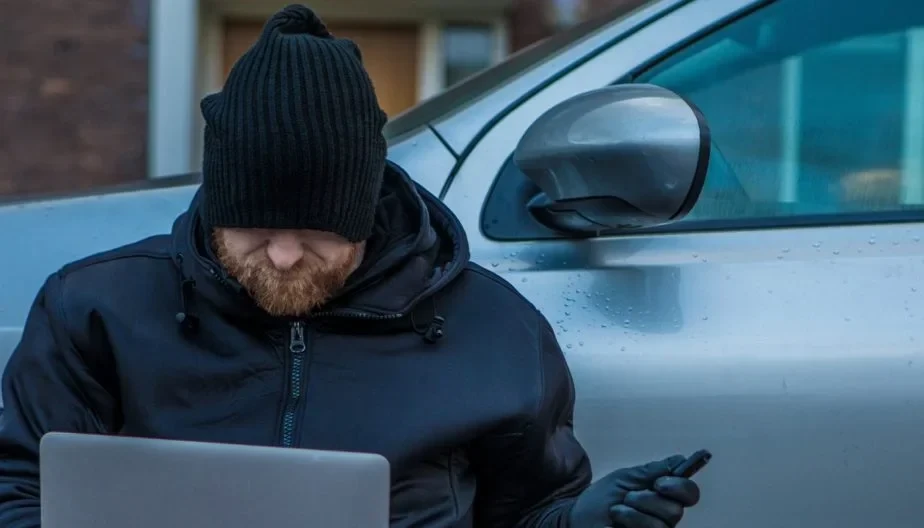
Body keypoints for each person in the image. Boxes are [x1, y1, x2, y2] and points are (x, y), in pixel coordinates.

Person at [0, 5, 701, 527]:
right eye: (253, 229)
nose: (280, 255)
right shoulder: (97, 309)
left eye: (315, 233)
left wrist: (578, 523)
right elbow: (17, 490)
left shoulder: (495, 331)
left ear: (364, 215)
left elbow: (526, 512)